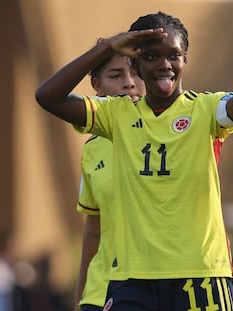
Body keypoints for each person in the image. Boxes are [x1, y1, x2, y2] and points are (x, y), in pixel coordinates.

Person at [35, 11, 233, 311]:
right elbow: (48, 96)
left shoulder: (206, 110)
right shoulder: (116, 115)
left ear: (185, 60)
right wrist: (108, 47)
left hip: (200, 275)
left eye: (174, 55)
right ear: (135, 64)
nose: (164, 65)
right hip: (133, 280)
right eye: (151, 57)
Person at [74, 41, 146, 311]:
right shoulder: (92, 148)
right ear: (97, 85)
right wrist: (81, 295)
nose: (129, 83)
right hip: (100, 292)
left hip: (154, 288)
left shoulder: (170, 133)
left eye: (136, 73)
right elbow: (93, 229)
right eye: (116, 76)